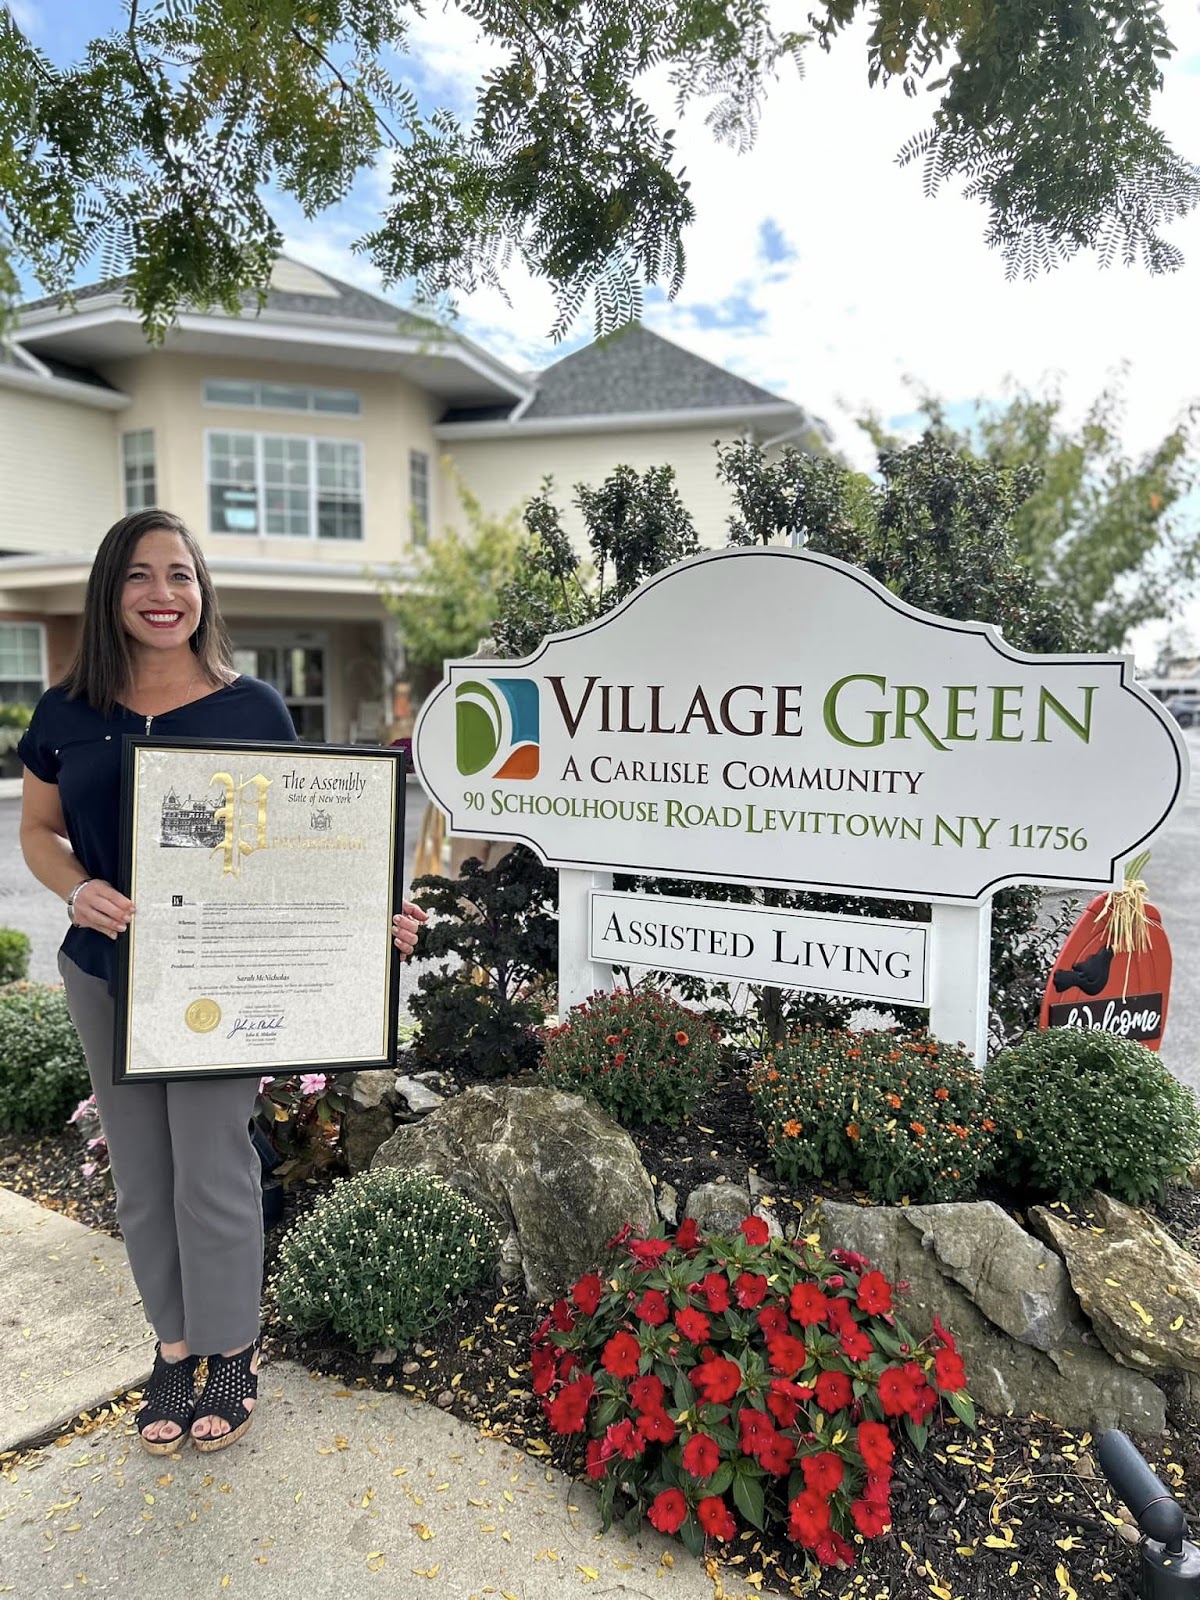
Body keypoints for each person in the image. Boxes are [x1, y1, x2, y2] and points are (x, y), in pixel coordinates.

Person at [17, 509, 426, 1455]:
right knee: (142, 1179)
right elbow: (37, 833)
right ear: (108, 591)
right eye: (140, 576)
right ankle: (174, 1346)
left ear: (203, 591)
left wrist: (371, 920)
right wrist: (77, 888)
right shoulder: (65, 713)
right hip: (107, 975)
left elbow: (294, 853)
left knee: (211, 1167)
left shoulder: (254, 712)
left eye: (181, 575)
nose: (163, 594)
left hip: (216, 984)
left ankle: (232, 1351)